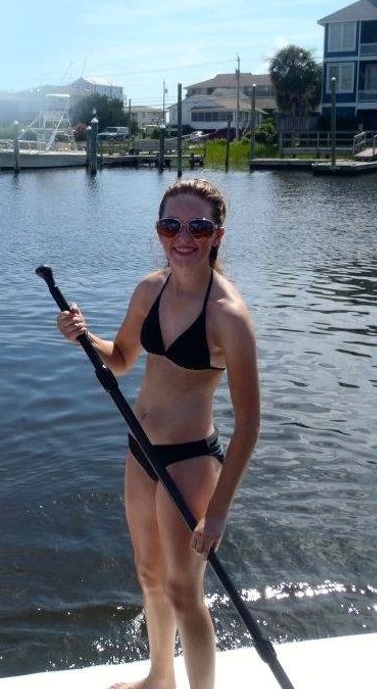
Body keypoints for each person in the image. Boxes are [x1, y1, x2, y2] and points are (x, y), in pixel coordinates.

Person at [55, 178, 260, 689]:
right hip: (140, 450)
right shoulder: (151, 288)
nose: (183, 237)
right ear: (159, 230)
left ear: (217, 235)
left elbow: (249, 424)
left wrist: (218, 513)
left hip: (189, 460)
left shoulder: (228, 316)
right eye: (171, 225)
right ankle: (160, 678)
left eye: (198, 227)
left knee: (184, 592)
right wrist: (84, 336)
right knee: (149, 577)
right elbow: (123, 358)